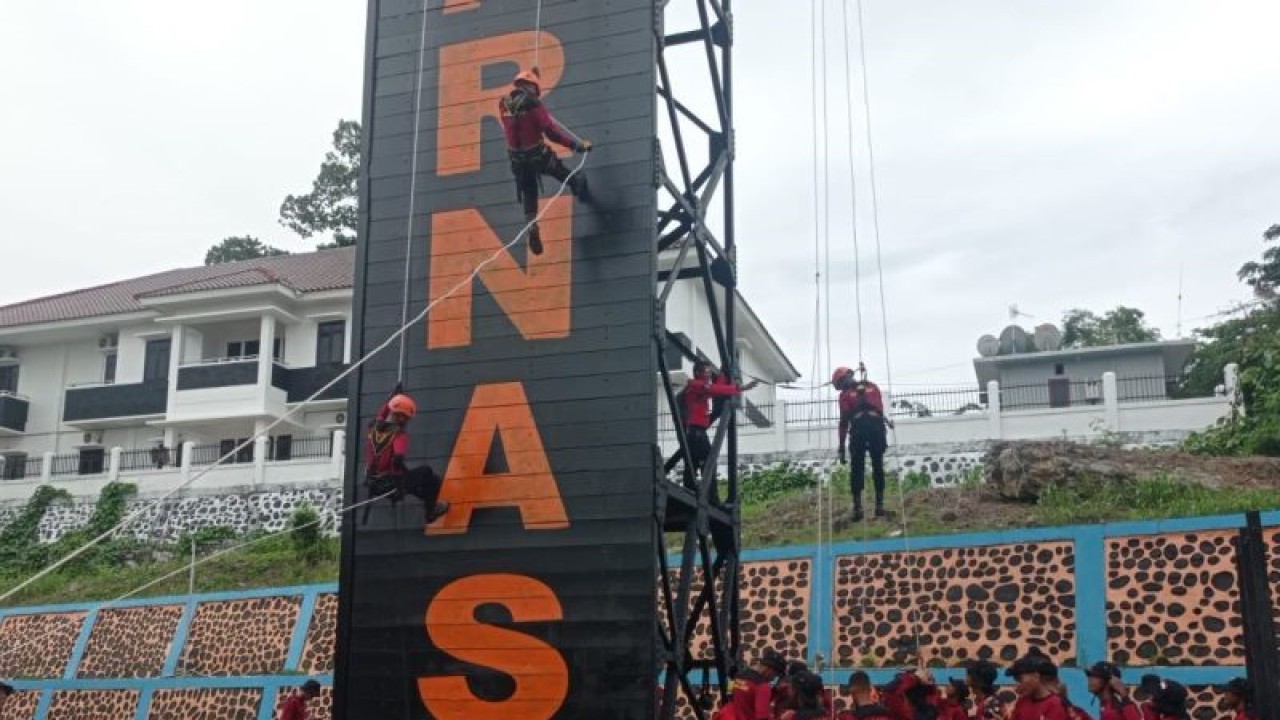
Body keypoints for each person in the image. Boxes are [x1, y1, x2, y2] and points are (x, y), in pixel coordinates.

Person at [497, 67, 592, 256]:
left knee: (528, 191)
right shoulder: (534, 105)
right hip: (536, 154)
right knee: (557, 168)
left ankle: (531, 225)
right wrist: (576, 145)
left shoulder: (504, 104)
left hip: (517, 160)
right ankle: (576, 184)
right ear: (531, 87)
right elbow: (551, 132)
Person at [664, 361, 757, 497]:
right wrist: (741, 388)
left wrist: (723, 376)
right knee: (708, 462)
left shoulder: (699, 387)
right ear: (698, 373)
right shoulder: (695, 385)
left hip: (695, 432)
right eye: (706, 372)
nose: (709, 375)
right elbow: (715, 389)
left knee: (694, 462)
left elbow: (716, 388)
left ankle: (692, 491)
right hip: (697, 433)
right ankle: (711, 498)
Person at [364, 386, 449, 524]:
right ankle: (431, 512)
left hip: (373, 482)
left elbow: (385, 411)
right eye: (406, 418)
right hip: (391, 485)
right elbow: (398, 458)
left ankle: (428, 501)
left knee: (421, 484)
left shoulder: (374, 426)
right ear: (401, 418)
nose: (407, 421)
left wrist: (394, 397)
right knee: (429, 475)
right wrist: (399, 462)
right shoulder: (399, 435)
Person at [833, 364, 894, 520]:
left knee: (857, 468)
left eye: (840, 385)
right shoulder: (873, 387)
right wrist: (884, 437)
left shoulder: (845, 395)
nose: (841, 388)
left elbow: (844, 422)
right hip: (876, 428)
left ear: (843, 380)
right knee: (877, 465)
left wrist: (841, 447)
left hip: (859, 428)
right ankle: (879, 506)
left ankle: (858, 509)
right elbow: (879, 410)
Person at [713, 649, 785, 720]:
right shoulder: (763, 687)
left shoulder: (740, 677)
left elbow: (737, 696)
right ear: (770, 669)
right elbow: (762, 717)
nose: (774, 678)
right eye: (776, 675)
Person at [1006, 651, 1069, 720]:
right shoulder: (1022, 702)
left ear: (1036, 676)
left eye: (1019, 679)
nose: (1016, 687)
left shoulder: (1055, 704)